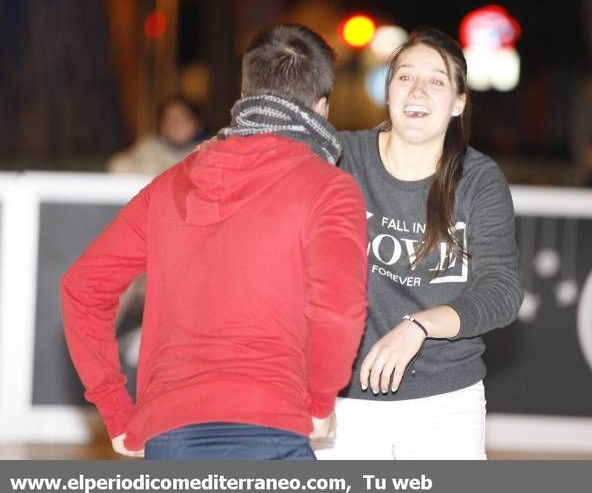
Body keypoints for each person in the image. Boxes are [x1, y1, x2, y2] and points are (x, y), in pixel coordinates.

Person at [61, 23, 368, 460]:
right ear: (321, 106)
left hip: (170, 432)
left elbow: (82, 287)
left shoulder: (168, 186)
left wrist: (115, 410)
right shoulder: (330, 188)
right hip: (273, 424)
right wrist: (321, 401)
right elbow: (339, 308)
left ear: (245, 93)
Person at [314, 27, 523, 460]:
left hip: (444, 400)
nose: (418, 91)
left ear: (459, 102)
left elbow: (501, 290)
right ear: (388, 91)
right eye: (405, 77)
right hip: (343, 398)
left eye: (437, 81)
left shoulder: (480, 180)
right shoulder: (338, 157)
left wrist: (420, 325)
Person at [107, 94, 207, 175]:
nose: (175, 124)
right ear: (161, 126)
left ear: (196, 124)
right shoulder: (148, 147)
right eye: (169, 119)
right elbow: (116, 165)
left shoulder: (206, 152)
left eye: (182, 118)